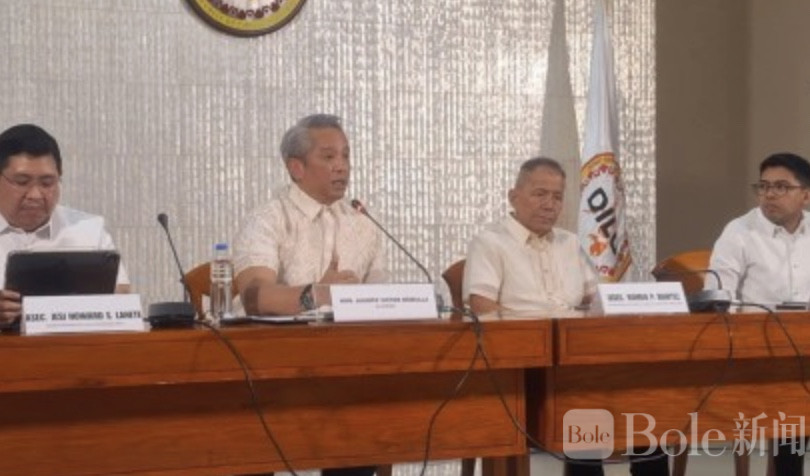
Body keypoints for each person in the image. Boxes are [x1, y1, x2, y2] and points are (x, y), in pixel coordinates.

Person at [464, 156, 669, 476]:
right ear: (513, 196)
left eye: (557, 197)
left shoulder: (569, 243)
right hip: (523, 365)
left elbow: (594, 300)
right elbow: (482, 309)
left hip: (576, 357)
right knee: (583, 398)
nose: (549, 205)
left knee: (644, 396)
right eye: (539, 194)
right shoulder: (490, 243)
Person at [232, 114, 385, 476]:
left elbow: (378, 297)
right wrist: (318, 295)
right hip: (269, 371)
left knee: (367, 415)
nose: (342, 166)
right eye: (329, 157)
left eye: (346, 156)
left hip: (342, 370)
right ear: (296, 167)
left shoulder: (363, 222)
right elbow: (254, 296)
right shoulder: (268, 219)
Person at [708, 152, 810, 475]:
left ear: (806, 195)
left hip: (806, 347)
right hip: (755, 353)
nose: (770, 195)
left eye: (781, 187)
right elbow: (719, 298)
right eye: (764, 186)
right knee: (793, 403)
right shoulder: (739, 232)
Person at [0, 124, 130, 325]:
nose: (35, 195)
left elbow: (121, 296)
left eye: (47, 183)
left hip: (76, 343)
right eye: (22, 182)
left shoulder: (88, 230)